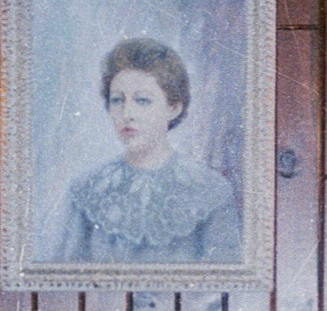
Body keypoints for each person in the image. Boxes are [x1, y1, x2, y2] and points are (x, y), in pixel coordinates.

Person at [51, 38, 240, 264]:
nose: (127, 113)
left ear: (173, 107)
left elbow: (226, 287)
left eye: (142, 100)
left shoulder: (212, 191)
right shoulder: (85, 189)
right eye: (117, 100)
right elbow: (64, 283)